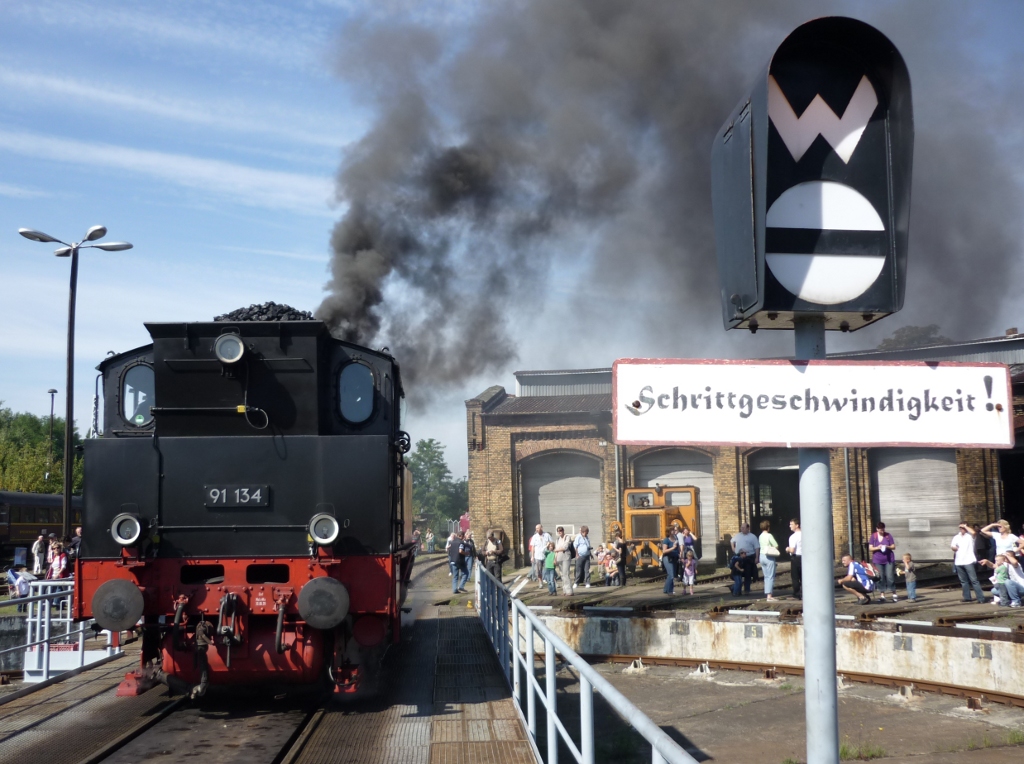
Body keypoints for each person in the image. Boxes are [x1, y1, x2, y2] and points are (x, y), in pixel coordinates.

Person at [951, 522, 987, 603]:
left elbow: (974, 532)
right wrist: (954, 548)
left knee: (974, 580)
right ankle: (967, 597)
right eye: (961, 527)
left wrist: (965, 526)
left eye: (963, 527)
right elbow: (952, 546)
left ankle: (980, 598)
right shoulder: (956, 537)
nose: (962, 529)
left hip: (969, 561)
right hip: (959, 562)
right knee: (963, 581)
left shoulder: (970, 536)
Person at [869, 522, 898, 602]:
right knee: (880, 577)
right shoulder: (873, 536)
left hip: (889, 559)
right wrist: (878, 548)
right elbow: (870, 548)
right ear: (877, 529)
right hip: (878, 560)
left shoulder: (888, 535)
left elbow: (893, 546)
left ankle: (894, 593)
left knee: (890, 576)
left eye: (883, 529)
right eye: (880, 530)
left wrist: (887, 546)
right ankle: (882, 595)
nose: (882, 531)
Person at [732, 522, 759, 590]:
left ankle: (747, 589)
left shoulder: (752, 537)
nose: (742, 529)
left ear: (748, 528)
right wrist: (734, 549)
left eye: (743, 528)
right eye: (741, 528)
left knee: (748, 574)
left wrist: (757, 557)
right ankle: (737, 589)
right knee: (738, 573)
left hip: (748, 558)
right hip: (739, 557)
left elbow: (757, 547)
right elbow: (732, 541)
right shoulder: (738, 535)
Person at [758, 520, 780, 601]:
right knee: (771, 576)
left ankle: (767, 593)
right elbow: (776, 545)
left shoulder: (760, 536)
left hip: (762, 556)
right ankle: (769, 596)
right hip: (769, 557)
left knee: (766, 576)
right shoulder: (769, 535)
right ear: (768, 527)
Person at [554, 527, 574, 596]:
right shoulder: (557, 540)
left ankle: (569, 591)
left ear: (563, 531)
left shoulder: (567, 537)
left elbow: (565, 547)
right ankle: (564, 590)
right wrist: (555, 559)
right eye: (558, 531)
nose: (560, 532)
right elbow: (556, 550)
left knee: (566, 573)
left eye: (561, 530)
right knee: (562, 574)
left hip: (566, 557)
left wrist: (557, 550)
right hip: (559, 557)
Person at [787, 519, 803, 599]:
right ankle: (805, 593)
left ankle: (797, 594)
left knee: (795, 577)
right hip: (805, 558)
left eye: (791, 524)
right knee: (804, 576)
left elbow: (792, 550)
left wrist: (787, 549)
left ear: (797, 525)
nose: (790, 526)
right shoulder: (805, 535)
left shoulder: (793, 537)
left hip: (796, 558)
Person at [661, 528, 680, 595]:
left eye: (674, 530)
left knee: (672, 574)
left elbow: (678, 548)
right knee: (671, 575)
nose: (674, 531)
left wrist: (679, 554)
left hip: (675, 558)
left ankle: (666, 589)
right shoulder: (666, 540)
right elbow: (664, 551)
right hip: (667, 558)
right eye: (672, 530)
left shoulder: (675, 538)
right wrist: (673, 548)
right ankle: (670, 591)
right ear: (669, 532)